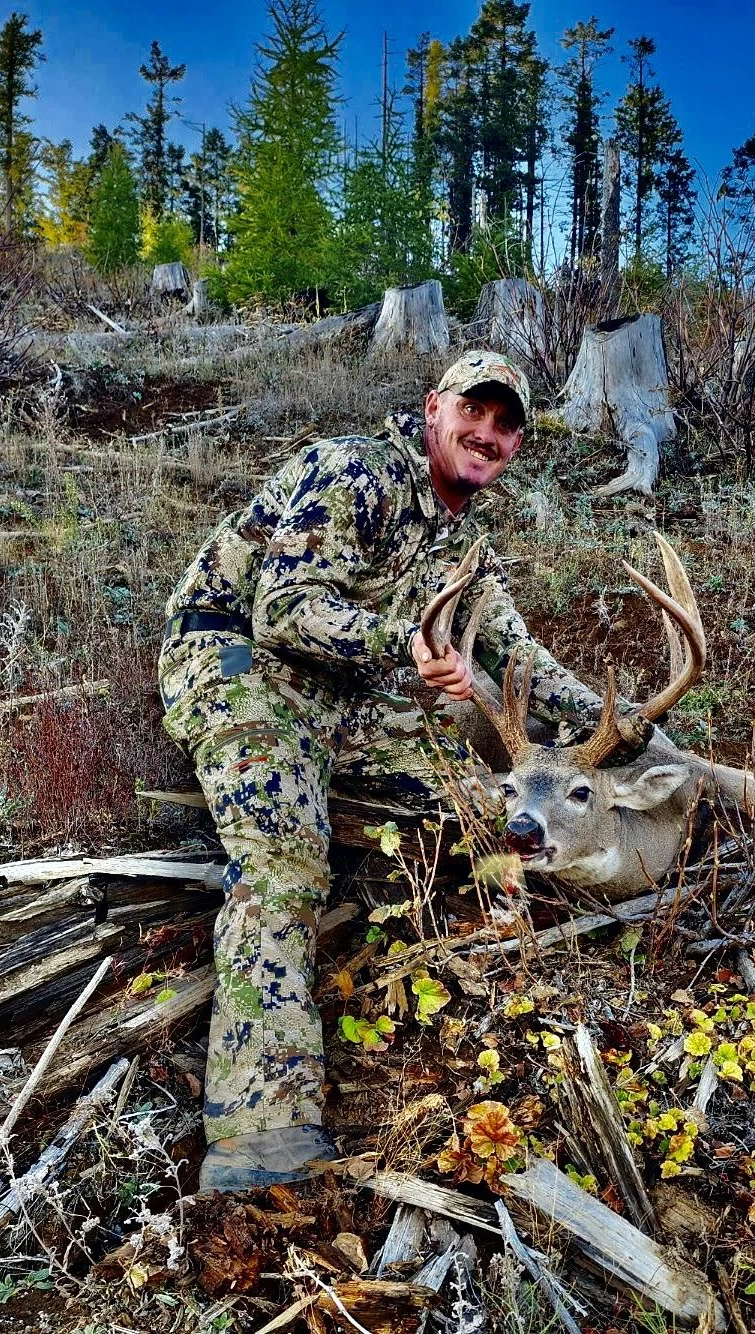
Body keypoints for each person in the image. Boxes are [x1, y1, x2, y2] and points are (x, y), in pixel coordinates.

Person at [157, 350, 605, 1192]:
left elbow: (519, 653)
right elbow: (286, 609)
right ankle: (260, 1133)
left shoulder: (466, 539)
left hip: (343, 695)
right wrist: (404, 646)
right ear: (435, 407)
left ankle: (464, 958)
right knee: (287, 860)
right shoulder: (357, 470)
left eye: (508, 426)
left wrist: (633, 730)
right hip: (237, 665)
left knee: (482, 809)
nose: (489, 434)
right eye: (476, 411)